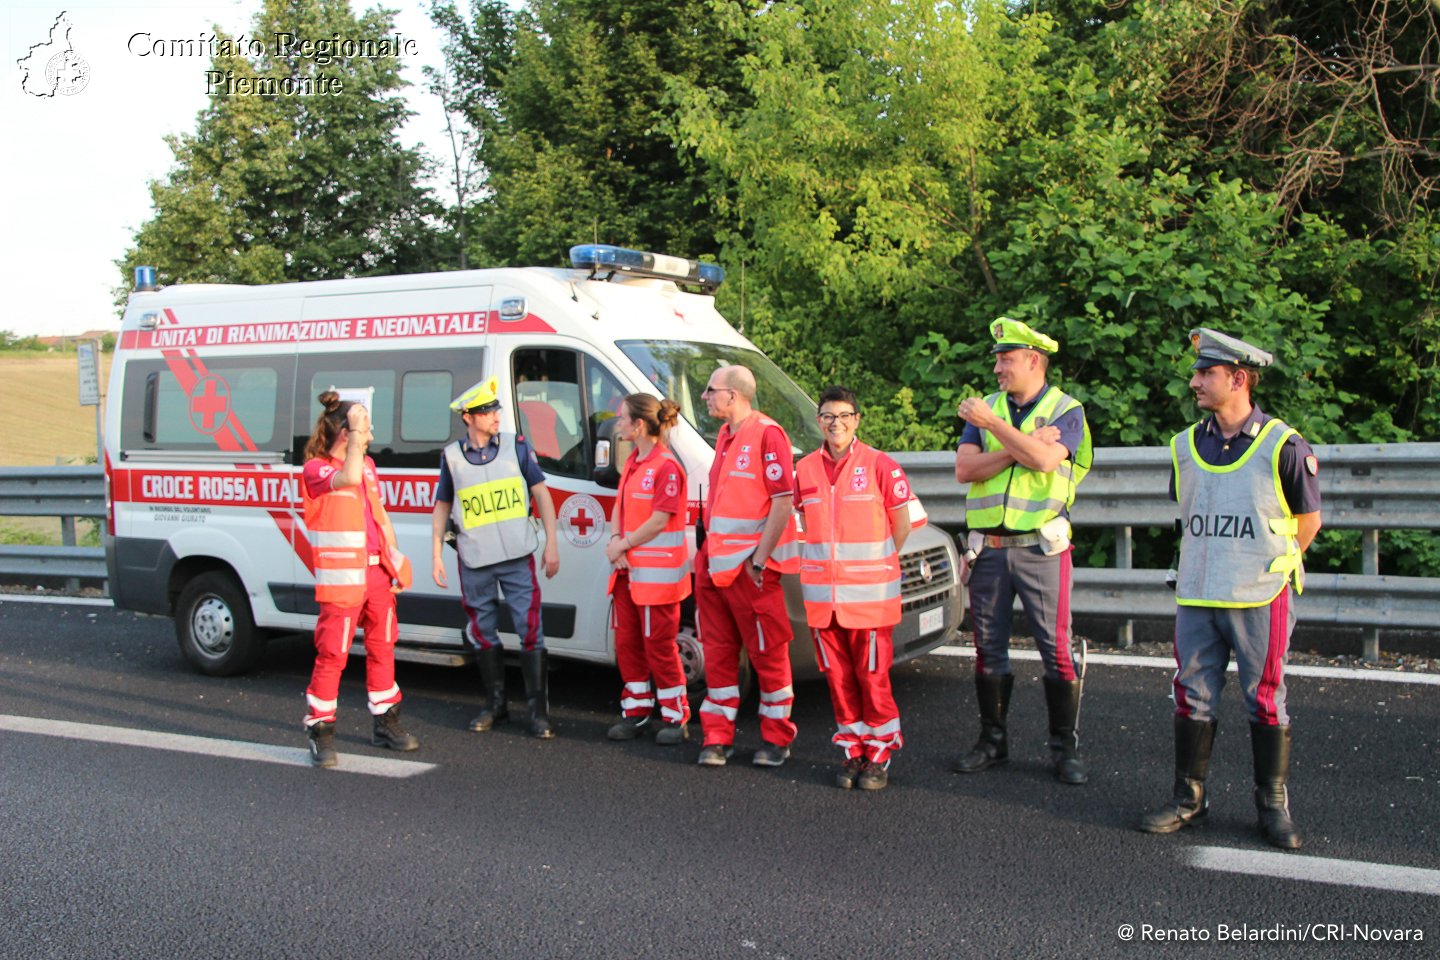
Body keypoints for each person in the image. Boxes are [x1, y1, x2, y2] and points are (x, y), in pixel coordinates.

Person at [1138, 329, 1321, 850]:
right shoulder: (1185, 445)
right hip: (1198, 595)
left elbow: (1309, 521)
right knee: (1191, 695)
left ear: (1238, 379)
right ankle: (1188, 800)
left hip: (1259, 596)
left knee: (1264, 699)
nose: (1195, 382)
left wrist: (1270, 569)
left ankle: (1272, 806)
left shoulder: (1284, 445)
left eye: (1205, 374)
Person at [953, 318, 1093, 785]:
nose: (997, 368)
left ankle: (1063, 748)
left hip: (1041, 550)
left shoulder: (1065, 410)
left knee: (1056, 650)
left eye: (1005, 359)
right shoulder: (989, 408)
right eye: (996, 358)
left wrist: (996, 430)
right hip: (989, 549)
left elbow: (1047, 460)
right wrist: (1021, 447)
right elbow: (964, 470)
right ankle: (993, 741)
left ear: (1033, 360)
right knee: (987, 648)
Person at [794, 386, 919, 790]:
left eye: (845, 415)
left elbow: (901, 524)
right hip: (822, 599)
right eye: (828, 416)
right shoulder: (805, 469)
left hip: (868, 598)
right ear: (819, 421)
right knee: (838, 678)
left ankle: (879, 754)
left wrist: (879, 566)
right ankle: (853, 750)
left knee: (872, 678)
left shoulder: (881, 465)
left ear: (857, 420)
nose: (837, 424)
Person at [431, 376, 561, 739]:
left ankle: (538, 712)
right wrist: (436, 555)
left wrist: (551, 544)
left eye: (496, 410)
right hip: (475, 560)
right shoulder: (453, 457)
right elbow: (442, 507)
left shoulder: (516, 447)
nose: (496, 416)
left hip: (517, 558)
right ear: (469, 417)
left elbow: (543, 495)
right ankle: (496, 704)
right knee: (483, 634)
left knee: (530, 630)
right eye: (488, 412)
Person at [300, 391, 419, 768]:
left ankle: (386, 722)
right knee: (333, 654)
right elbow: (347, 476)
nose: (371, 435)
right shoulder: (316, 469)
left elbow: (379, 516)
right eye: (365, 429)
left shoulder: (367, 464)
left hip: (376, 574)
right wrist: (355, 429)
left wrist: (395, 562)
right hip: (343, 580)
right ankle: (321, 731)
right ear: (346, 433)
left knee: (384, 646)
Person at [694, 365, 802, 768]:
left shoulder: (767, 433)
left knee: (769, 654)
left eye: (710, 390)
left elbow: (783, 500)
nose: (705, 397)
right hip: (716, 567)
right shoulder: (725, 435)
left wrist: (758, 561)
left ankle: (776, 740)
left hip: (749, 570)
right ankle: (716, 738)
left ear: (733, 395)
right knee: (718, 655)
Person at [603, 394, 693, 746]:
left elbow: (659, 520)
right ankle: (637, 711)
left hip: (656, 580)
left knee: (659, 646)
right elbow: (620, 508)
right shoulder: (634, 462)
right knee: (627, 644)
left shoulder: (666, 467)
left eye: (623, 418)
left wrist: (622, 545)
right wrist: (615, 541)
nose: (618, 423)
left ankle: (675, 716)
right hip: (627, 573)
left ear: (639, 425)